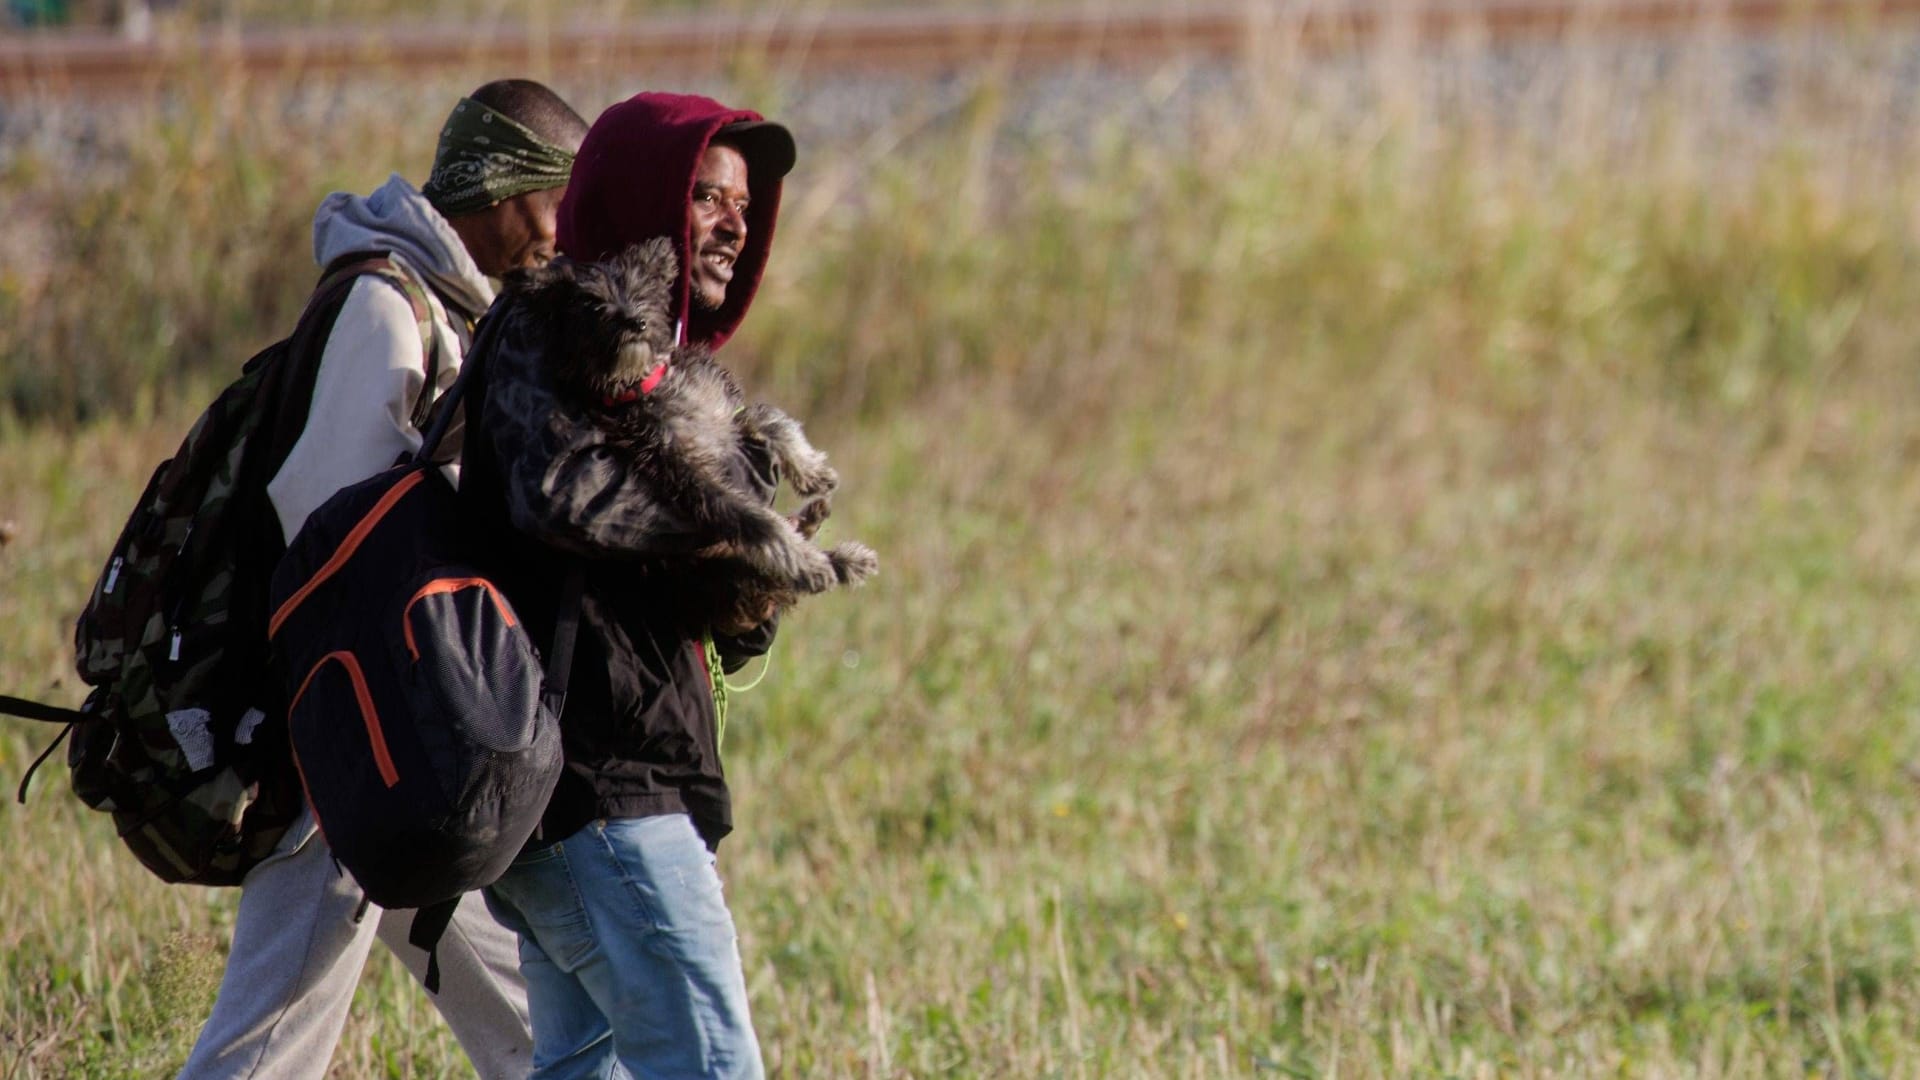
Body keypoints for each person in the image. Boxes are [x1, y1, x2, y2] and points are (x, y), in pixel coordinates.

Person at [179, 79, 588, 1080]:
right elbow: (334, 532)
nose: (564, 235)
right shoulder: (383, 309)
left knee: (548, 1026)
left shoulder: (445, 307)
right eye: (556, 207)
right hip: (349, 740)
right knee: (269, 1039)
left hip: (402, 742)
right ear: (499, 195)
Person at [459, 91, 800, 1079]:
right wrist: (733, 526)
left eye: (744, 204)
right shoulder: (542, 326)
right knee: (710, 1066)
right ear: (638, 197)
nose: (735, 222)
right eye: (704, 194)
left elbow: (732, 619)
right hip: (597, 787)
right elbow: (560, 498)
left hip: (615, 788)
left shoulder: (676, 382)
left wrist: (750, 560)